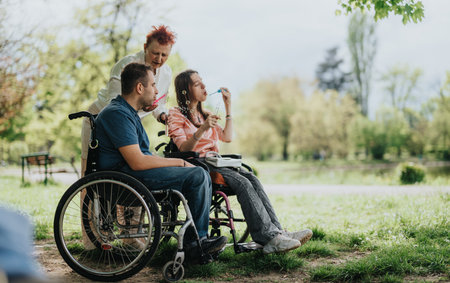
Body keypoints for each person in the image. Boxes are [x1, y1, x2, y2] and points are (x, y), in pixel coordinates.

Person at [168, 70, 313, 254]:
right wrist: (203, 129)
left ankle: (278, 232)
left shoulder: (206, 114)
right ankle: (269, 238)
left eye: (202, 82)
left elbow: (227, 137)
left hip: (217, 161)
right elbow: (183, 148)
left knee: (252, 178)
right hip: (199, 165)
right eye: (197, 84)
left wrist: (228, 106)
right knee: (243, 183)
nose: (204, 86)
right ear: (185, 91)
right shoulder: (176, 114)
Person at [95, 63, 227, 261]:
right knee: (198, 175)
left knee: (199, 171)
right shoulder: (117, 114)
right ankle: (195, 244)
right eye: (153, 85)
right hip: (125, 178)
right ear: (140, 88)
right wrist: (179, 163)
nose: (157, 90)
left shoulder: (128, 113)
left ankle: (198, 241)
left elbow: (142, 155)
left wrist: (173, 162)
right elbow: (138, 162)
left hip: (131, 173)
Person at [81, 25, 175, 176]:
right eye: (155, 53)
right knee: (90, 171)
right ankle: (86, 200)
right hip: (100, 118)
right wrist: (142, 108)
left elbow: (159, 102)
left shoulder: (166, 73)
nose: (159, 59)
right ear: (145, 47)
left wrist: (162, 115)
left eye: (164, 55)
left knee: (126, 172)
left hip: (129, 123)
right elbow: (115, 103)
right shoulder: (126, 65)